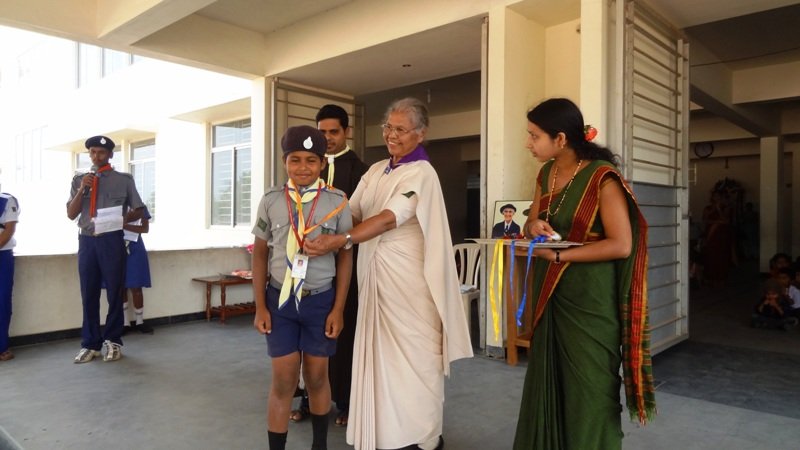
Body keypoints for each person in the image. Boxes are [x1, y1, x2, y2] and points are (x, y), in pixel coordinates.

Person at [304, 97, 473, 450]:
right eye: (388, 127)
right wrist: (312, 224)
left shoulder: (422, 173)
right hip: (374, 275)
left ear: (420, 133)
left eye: (401, 129)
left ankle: (423, 437)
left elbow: (388, 218)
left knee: (415, 359)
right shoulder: (378, 169)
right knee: (380, 359)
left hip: (409, 282)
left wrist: (340, 240)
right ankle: (386, 434)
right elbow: (349, 210)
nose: (391, 135)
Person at [514, 98, 656, 449]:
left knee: (590, 393)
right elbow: (532, 220)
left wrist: (559, 257)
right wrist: (534, 226)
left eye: (534, 136)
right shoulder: (546, 173)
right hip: (552, 293)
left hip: (590, 301)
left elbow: (621, 245)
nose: (528, 143)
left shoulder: (602, 177)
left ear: (560, 139)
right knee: (550, 382)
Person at [251, 125, 353, 450]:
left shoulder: (337, 202)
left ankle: (319, 445)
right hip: (279, 301)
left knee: (317, 376)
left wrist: (338, 309)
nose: (303, 167)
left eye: (311, 160)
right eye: (295, 159)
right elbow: (260, 254)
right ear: (284, 162)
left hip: (320, 302)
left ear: (322, 163)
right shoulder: (271, 200)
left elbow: (345, 258)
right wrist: (260, 307)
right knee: (283, 380)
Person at [290, 104, 369, 427]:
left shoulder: (362, 171)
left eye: (333, 132)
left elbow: (365, 219)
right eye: (322, 132)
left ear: (347, 132)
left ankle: (347, 400)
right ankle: (308, 398)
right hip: (309, 266)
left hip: (349, 263)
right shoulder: (309, 168)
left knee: (344, 330)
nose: (327, 138)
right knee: (308, 330)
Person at [67, 135, 145, 363]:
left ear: (110, 154)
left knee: (115, 292)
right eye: (92, 152)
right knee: (88, 293)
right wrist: (82, 189)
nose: (96, 156)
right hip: (87, 241)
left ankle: (113, 340)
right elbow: (71, 214)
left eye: (101, 152)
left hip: (112, 240)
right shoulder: (80, 180)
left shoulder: (124, 180)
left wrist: (121, 219)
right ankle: (90, 343)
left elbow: (138, 209)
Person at [122, 206, 154, 334]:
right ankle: (125, 323)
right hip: (117, 247)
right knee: (120, 287)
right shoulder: (115, 205)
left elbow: (145, 229)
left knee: (136, 286)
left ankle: (140, 321)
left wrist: (123, 225)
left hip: (135, 247)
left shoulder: (140, 207)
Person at [0, 192, 20, 362]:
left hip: (3, 256)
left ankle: (2, 347)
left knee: (2, 301)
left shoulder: (6, 200)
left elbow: (9, 230)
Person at [701, 190, 734, 287]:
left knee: (722, 256)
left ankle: (721, 278)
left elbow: (726, 221)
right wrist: (717, 221)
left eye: (719, 196)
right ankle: (709, 278)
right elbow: (705, 220)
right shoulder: (707, 208)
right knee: (710, 255)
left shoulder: (726, 208)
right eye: (715, 196)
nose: (717, 198)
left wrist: (719, 209)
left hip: (722, 235)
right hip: (711, 234)